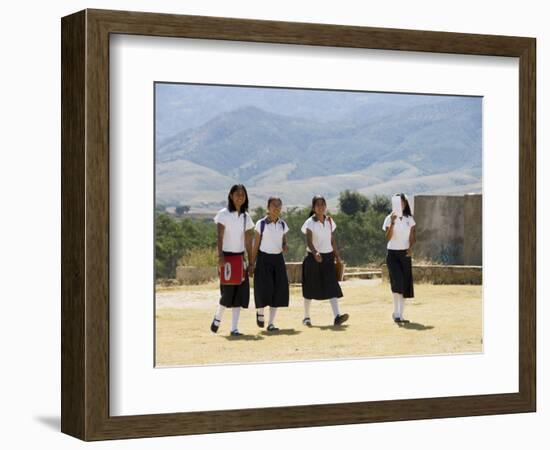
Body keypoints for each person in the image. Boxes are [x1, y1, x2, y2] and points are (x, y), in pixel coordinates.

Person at [210, 184, 255, 336]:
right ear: (230, 196)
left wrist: (251, 262)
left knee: (240, 294)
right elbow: (219, 237)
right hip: (227, 258)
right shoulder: (223, 214)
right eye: (237, 194)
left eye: (242, 194)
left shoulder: (246, 217)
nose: (240, 197)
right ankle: (218, 317)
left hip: (240, 257)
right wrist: (220, 256)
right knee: (227, 292)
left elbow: (249, 241)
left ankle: (234, 328)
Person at [300, 195, 348, 327]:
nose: (320, 207)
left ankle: (337, 316)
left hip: (328, 258)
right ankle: (306, 317)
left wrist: (337, 256)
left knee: (332, 286)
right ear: (313, 207)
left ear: (325, 206)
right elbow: (308, 241)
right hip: (313, 259)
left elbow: (332, 239)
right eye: (318, 204)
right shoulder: (310, 222)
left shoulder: (330, 221)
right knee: (310, 288)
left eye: (323, 204)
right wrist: (315, 252)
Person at [249, 197, 290, 332]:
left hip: (278, 260)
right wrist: (251, 264)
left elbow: (284, 242)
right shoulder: (261, 224)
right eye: (274, 205)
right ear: (268, 207)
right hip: (263, 259)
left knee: (277, 291)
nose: (276, 208)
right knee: (263, 289)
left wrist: (285, 246)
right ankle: (260, 312)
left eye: (279, 205)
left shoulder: (282, 225)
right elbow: (255, 246)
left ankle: (271, 323)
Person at [382, 193, 416, 324]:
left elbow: (413, 236)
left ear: (405, 204)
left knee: (405, 286)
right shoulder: (388, 218)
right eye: (397, 203)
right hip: (393, 254)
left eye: (402, 202)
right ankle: (396, 314)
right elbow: (387, 237)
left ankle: (401, 315)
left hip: (405, 255)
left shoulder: (410, 219)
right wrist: (392, 222)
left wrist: (411, 247)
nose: (400, 205)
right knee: (397, 283)